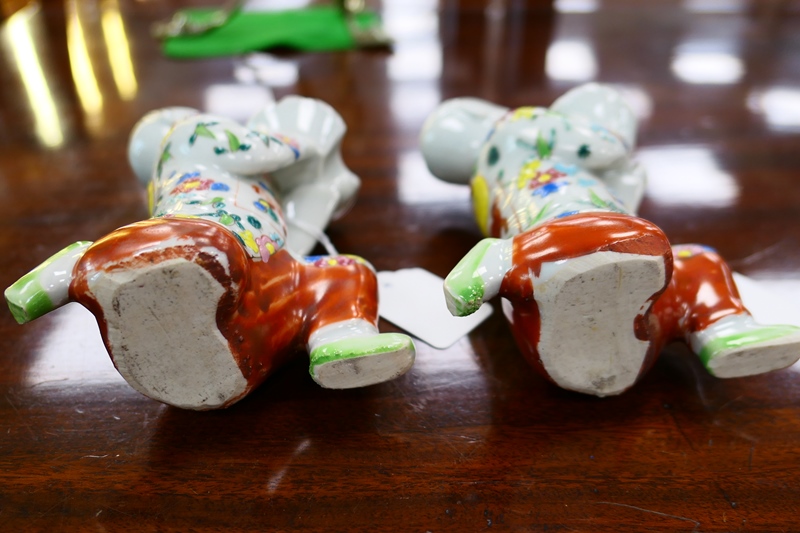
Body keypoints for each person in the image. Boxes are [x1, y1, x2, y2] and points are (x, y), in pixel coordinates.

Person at [6, 97, 415, 410]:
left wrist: (321, 191)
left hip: (259, 272)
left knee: (346, 271)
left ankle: (335, 346)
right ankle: (86, 265)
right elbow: (264, 151)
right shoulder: (193, 136)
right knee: (209, 251)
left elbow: (302, 231)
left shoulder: (259, 187)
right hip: (207, 235)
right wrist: (308, 146)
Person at [420, 83, 800, 396]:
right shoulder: (519, 136)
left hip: (587, 294)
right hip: (568, 236)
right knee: (670, 256)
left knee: (696, 260)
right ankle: (503, 264)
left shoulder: (493, 180)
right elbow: (603, 146)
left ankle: (721, 332)